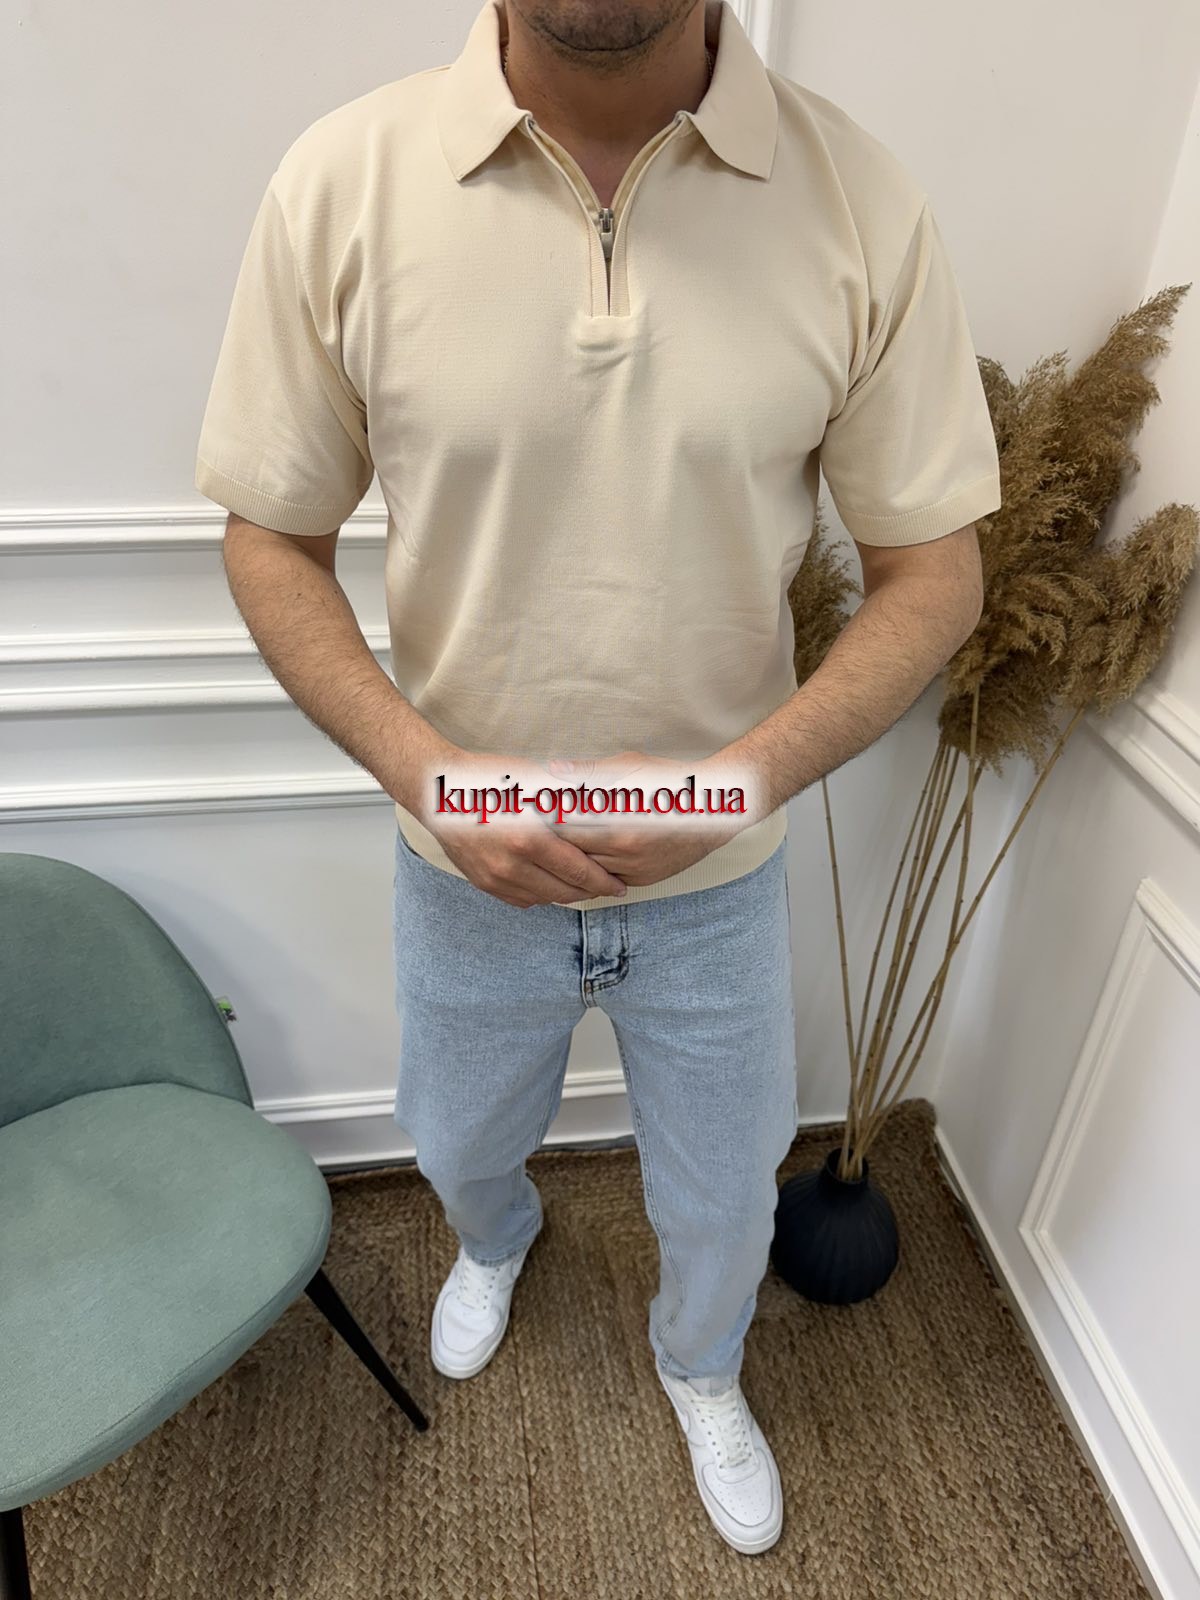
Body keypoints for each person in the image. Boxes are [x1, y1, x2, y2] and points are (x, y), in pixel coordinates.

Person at [194, 0, 1000, 1558]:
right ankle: (497, 1238)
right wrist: (432, 779)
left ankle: (702, 1363)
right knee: (454, 1140)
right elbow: (270, 535)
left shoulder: (861, 202)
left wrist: (735, 786)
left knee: (728, 1194)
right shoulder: (341, 183)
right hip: (460, 870)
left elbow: (936, 573)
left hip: (720, 882)